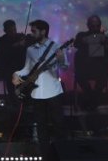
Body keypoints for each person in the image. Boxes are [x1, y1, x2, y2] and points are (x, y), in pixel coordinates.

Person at [12, 19, 68, 147]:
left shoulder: (56, 47)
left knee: (58, 124)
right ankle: (45, 152)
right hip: (36, 93)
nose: (31, 34)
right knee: (41, 126)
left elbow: (64, 67)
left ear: (43, 31)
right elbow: (27, 69)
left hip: (53, 91)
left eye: (34, 31)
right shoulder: (30, 49)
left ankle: (62, 150)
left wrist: (61, 59)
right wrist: (16, 74)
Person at [73, 15, 108, 112]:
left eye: (97, 26)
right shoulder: (81, 35)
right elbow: (76, 44)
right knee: (79, 75)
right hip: (85, 69)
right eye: (93, 26)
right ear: (88, 25)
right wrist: (93, 39)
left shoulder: (104, 37)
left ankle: (91, 100)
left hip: (100, 70)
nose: (95, 28)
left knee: (104, 75)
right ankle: (93, 98)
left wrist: (107, 42)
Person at [0, 20, 27, 107]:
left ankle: (26, 101)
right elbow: (2, 53)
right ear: (5, 31)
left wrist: (24, 41)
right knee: (11, 75)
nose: (13, 32)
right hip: (7, 67)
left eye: (14, 30)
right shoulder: (1, 40)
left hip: (21, 67)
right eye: (10, 31)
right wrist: (16, 45)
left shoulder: (20, 37)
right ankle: (14, 102)